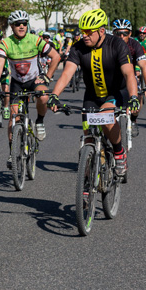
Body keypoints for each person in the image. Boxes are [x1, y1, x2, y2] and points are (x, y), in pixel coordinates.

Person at [47, 9, 139, 177]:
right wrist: (54, 95)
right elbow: (67, 73)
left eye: (89, 32)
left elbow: (128, 73)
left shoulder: (117, 44)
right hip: (92, 96)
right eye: (82, 32)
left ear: (101, 31)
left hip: (116, 92)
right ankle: (88, 186)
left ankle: (119, 153)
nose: (85, 36)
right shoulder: (78, 48)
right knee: (88, 137)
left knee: (106, 115)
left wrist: (134, 97)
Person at [0, 10, 54, 170]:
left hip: (34, 80)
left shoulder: (35, 40)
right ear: (12, 26)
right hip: (17, 82)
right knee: (13, 116)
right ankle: (12, 151)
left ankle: (39, 121)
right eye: (18, 24)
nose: (22, 26)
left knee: (43, 97)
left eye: (24, 23)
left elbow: (56, 56)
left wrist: (47, 77)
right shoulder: (6, 43)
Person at [112, 19, 146, 136]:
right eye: (118, 33)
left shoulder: (135, 45)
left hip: (130, 76)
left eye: (124, 33)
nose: (121, 36)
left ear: (129, 34)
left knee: (137, 99)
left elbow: (144, 65)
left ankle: (134, 120)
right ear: (113, 33)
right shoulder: (109, 44)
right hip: (113, 76)